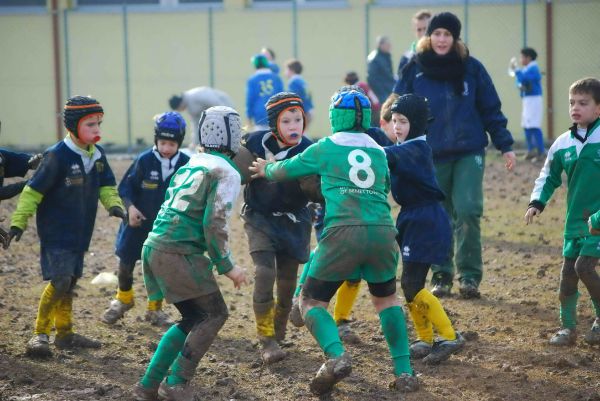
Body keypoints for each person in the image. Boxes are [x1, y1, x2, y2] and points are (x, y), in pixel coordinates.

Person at [250, 87, 419, 395]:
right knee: (386, 301)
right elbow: (384, 187)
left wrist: (265, 168)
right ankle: (405, 371)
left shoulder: (326, 147)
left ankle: (336, 355)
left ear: (334, 116)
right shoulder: (379, 150)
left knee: (311, 302)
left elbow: (286, 169)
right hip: (383, 231)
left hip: (343, 232)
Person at [394, 11, 516, 299]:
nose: (441, 39)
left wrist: (505, 144)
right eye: (436, 33)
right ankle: (441, 274)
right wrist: (393, 132)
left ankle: (470, 276)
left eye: (447, 34)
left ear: (455, 38)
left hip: (469, 151)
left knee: (468, 210)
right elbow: (397, 105)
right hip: (430, 154)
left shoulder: (471, 68)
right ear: (428, 36)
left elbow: (490, 109)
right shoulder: (414, 68)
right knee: (439, 215)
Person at [132, 106, 248, 401]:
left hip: (155, 244)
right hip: (177, 251)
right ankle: (176, 382)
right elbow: (215, 223)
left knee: (192, 316)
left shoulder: (191, 162)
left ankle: (148, 385)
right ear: (233, 136)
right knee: (214, 313)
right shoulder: (226, 171)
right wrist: (227, 266)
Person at [7, 96, 126, 357]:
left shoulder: (98, 155)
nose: (97, 130)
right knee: (60, 280)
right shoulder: (56, 156)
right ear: (73, 126)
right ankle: (39, 334)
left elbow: (107, 186)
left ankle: (65, 334)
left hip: (80, 233)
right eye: (91, 124)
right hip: (56, 232)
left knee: (69, 281)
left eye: (99, 124)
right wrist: (18, 222)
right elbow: (32, 192)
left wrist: (114, 206)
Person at [289, 88, 396, 344]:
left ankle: (337, 318)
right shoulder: (368, 146)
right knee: (334, 258)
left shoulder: (339, 144)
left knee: (347, 271)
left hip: (351, 220)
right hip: (355, 220)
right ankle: (303, 298)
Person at [385, 94, 465, 364]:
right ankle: (425, 338)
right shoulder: (405, 145)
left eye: (403, 121)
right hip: (412, 216)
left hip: (425, 218)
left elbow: (385, 154)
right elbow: (387, 147)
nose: (396, 126)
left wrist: (355, 144)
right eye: (394, 120)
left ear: (417, 124)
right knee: (411, 284)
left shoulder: (416, 148)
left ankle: (449, 336)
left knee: (410, 282)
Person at [525, 77, 600, 346]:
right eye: (571, 103)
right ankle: (568, 329)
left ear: (598, 108)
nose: (575, 107)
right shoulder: (563, 143)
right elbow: (548, 175)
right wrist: (536, 202)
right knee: (568, 276)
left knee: (584, 267)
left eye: (583, 102)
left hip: (599, 221)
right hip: (575, 223)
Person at [241, 92, 314, 364]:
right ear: (274, 124)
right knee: (263, 273)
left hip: (294, 220)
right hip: (259, 217)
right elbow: (228, 159)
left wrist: (314, 186)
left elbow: (319, 189)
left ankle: (279, 332)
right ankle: (266, 339)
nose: (294, 126)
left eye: (298, 119)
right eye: (287, 121)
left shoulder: (309, 149)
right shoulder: (254, 142)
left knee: (286, 285)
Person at [101, 112, 190, 327]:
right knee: (125, 264)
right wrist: (130, 209)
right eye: (162, 143)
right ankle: (123, 299)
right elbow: (125, 189)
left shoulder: (187, 164)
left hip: (164, 229)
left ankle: (155, 309)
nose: (166, 148)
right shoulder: (144, 160)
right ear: (155, 140)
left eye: (171, 144)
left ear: (179, 143)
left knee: (158, 268)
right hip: (136, 225)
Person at [509, 47, 546, 160]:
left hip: (534, 100)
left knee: (534, 125)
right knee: (526, 125)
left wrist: (517, 71)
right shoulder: (527, 69)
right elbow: (519, 81)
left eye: (522, 57)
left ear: (528, 57)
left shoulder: (533, 68)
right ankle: (531, 151)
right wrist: (519, 81)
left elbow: (524, 79)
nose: (520, 59)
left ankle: (541, 152)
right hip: (528, 100)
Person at [168, 87, 234, 149]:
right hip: (215, 116)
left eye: (178, 109)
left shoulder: (195, 95)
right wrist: (194, 143)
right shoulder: (189, 107)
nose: (181, 111)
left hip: (225, 105)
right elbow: (196, 124)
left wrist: (224, 114)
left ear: (179, 105)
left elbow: (215, 101)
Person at [246, 54, 284, 131]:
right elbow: (282, 97)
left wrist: (249, 117)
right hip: (276, 115)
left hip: (259, 116)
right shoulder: (276, 78)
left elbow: (250, 99)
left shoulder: (252, 79)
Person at [367, 35, 395, 122]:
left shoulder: (386, 56)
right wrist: (381, 94)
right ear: (380, 45)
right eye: (387, 44)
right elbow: (372, 78)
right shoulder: (374, 58)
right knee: (383, 118)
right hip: (380, 94)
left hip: (389, 91)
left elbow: (389, 75)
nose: (389, 46)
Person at [397, 10, 431, 75]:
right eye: (419, 30)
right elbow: (401, 83)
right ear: (414, 31)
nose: (423, 33)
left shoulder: (441, 54)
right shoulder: (407, 58)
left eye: (425, 29)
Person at [285, 59, 314, 127]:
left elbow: (291, 99)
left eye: (286, 69)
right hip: (308, 111)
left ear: (291, 70)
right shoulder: (302, 81)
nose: (285, 72)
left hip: (302, 112)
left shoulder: (293, 82)